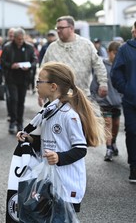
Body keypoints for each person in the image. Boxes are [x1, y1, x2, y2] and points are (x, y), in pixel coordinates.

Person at [17, 61, 104, 214]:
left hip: (67, 183)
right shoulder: (49, 110)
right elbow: (50, 140)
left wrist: (59, 157)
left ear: (53, 87)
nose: (36, 84)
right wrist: (30, 139)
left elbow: (80, 149)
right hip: (50, 181)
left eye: (39, 81)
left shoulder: (69, 115)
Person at [41, 16, 108, 103]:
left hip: (82, 96)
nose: (58, 30)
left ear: (71, 28)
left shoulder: (86, 45)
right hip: (57, 98)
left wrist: (103, 83)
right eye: (57, 28)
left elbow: (98, 65)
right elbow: (43, 70)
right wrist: (41, 91)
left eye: (61, 28)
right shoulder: (52, 48)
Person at [111, 21, 136, 183]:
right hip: (131, 100)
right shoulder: (125, 49)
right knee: (133, 132)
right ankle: (134, 166)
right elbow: (115, 73)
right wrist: (127, 89)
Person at [1, 28, 37, 134]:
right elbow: (2, 61)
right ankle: (12, 121)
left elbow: (34, 60)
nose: (20, 41)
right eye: (18, 39)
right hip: (11, 78)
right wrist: (11, 66)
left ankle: (19, 122)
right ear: (15, 38)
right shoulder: (7, 47)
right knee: (13, 100)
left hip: (24, 78)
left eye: (22, 39)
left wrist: (30, 66)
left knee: (21, 101)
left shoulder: (29, 47)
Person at [91, 41, 122, 161]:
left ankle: (113, 142)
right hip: (105, 101)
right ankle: (108, 148)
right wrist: (94, 96)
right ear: (109, 52)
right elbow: (95, 81)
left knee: (116, 124)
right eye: (114, 53)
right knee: (107, 123)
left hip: (118, 101)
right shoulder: (102, 65)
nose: (116, 56)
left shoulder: (121, 65)